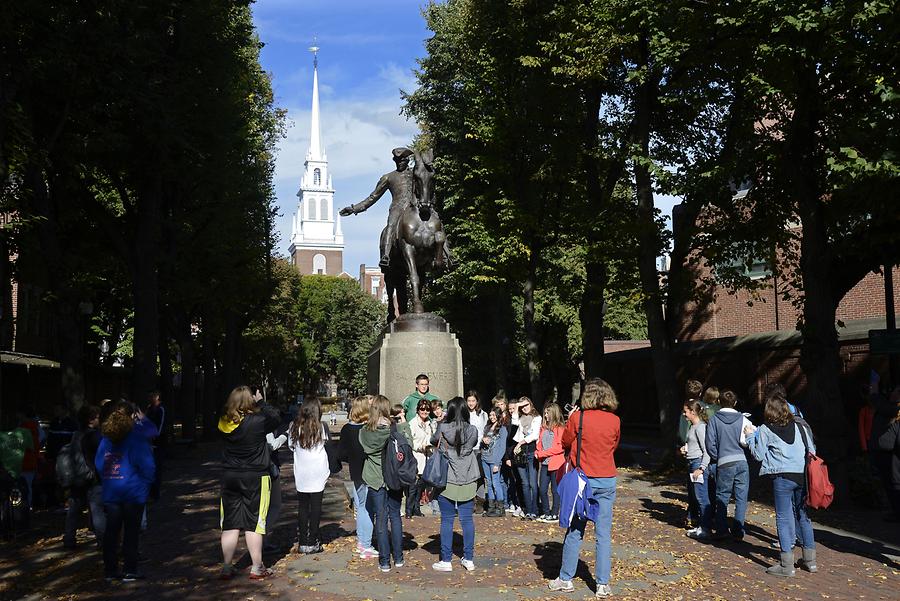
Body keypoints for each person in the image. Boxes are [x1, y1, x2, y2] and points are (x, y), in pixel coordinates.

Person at [548, 378, 621, 598]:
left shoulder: (578, 418)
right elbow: (614, 446)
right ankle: (602, 583)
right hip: (607, 478)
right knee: (603, 534)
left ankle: (566, 578)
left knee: (575, 530)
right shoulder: (615, 420)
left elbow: (565, 442)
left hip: (583, 480)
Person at [746, 390, 817, 576]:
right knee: (803, 515)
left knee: (784, 518)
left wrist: (748, 437)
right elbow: (811, 449)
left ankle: (787, 565)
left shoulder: (765, 429)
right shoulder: (799, 426)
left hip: (782, 476)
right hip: (802, 475)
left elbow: (758, 455)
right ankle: (810, 560)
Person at [218, 385, 281, 580]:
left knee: (230, 523)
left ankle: (227, 566)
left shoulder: (224, 422)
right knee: (255, 522)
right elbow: (276, 417)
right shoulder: (258, 421)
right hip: (255, 476)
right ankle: (256, 566)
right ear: (250, 401)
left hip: (230, 476)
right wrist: (261, 402)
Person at [95, 401, 156, 581]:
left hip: (112, 492)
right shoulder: (136, 439)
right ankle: (130, 569)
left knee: (111, 532)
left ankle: (110, 570)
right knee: (131, 532)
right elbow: (148, 466)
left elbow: (99, 464)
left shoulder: (106, 440)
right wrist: (145, 486)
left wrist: (108, 479)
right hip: (133, 492)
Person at [339, 147, 416, 270]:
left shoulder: (415, 174)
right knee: (391, 226)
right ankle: (385, 256)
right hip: (398, 208)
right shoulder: (388, 177)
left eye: (401, 160)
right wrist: (354, 209)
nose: (399, 162)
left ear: (407, 160)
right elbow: (373, 197)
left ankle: (445, 254)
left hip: (414, 208)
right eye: (396, 160)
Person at [360, 395, 411, 572]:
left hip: (375, 479)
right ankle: (398, 557)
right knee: (395, 517)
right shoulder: (394, 429)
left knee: (380, 520)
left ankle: (384, 561)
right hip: (394, 478)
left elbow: (365, 449)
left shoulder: (365, 431)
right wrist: (403, 423)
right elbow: (408, 445)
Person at [430, 396, 479, 572]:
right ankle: (469, 558)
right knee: (467, 520)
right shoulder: (473, 430)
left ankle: (446, 560)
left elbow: (432, 441)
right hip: (467, 477)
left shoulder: (443, 428)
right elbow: (472, 444)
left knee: (447, 521)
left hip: (447, 478)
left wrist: (442, 422)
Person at [705, 389, 753, 541]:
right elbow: (748, 440)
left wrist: (718, 456)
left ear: (719, 402)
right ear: (735, 403)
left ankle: (721, 529)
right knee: (741, 498)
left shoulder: (714, 420)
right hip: (741, 461)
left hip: (724, 461)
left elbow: (709, 443)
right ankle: (738, 530)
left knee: (722, 497)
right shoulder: (743, 419)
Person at [288, 398, 330, 554]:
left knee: (303, 507)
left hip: (302, 472)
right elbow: (327, 446)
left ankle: (303, 542)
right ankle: (312, 541)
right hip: (318, 471)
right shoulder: (322, 427)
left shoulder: (294, 427)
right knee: (316, 507)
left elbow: (291, 446)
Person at [339, 396, 377, 558]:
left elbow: (341, 453)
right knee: (368, 508)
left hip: (355, 471)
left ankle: (362, 541)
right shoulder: (368, 429)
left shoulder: (347, 429)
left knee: (360, 507)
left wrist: (352, 459)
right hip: (369, 471)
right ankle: (366, 544)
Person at [63, 404, 105, 549]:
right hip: (92, 478)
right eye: (98, 417)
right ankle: (102, 541)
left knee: (73, 512)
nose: (99, 420)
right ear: (91, 419)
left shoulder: (76, 435)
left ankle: (69, 539)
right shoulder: (94, 436)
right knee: (97, 511)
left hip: (76, 476)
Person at [681, 401, 712, 540]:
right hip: (691, 461)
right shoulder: (692, 427)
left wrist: (701, 468)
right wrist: (685, 449)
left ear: (693, 412)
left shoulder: (700, 428)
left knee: (701, 497)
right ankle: (700, 526)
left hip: (697, 463)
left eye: (686, 411)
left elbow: (707, 450)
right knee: (695, 496)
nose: (684, 414)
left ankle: (706, 528)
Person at [511, 396, 542, 520]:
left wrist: (521, 442)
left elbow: (534, 434)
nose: (525, 408)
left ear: (531, 404)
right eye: (522, 407)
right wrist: (517, 407)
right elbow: (514, 422)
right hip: (520, 452)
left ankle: (535, 509)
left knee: (533, 483)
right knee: (524, 482)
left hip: (531, 450)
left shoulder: (537, 417)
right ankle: (528, 510)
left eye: (526, 405)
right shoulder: (520, 418)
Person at [535, 403, 566, 523]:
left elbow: (559, 448)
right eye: (545, 413)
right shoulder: (543, 428)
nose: (546, 415)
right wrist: (538, 451)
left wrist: (542, 453)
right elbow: (539, 443)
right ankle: (546, 512)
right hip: (544, 464)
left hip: (556, 464)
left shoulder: (560, 429)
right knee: (542, 489)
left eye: (548, 413)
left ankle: (554, 513)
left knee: (555, 490)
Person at [408, 399, 436, 518]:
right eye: (422, 409)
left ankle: (417, 508)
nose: (425, 411)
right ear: (418, 410)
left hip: (427, 457)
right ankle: (409, 509)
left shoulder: (430, 424)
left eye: (427, 409)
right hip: (416, 456)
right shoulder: (413, 423)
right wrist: (420, 446)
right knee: (413, 486)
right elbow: (409, 441)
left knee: (421, 485)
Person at [875, 391, 900, 522]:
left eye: (896, 392)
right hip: (887, 454)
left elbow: (879, 405)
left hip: (893, 456)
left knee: (894, 485)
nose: (892, 394)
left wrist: (875, 390)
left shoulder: (895, 410)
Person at [480, 406, 508, 517]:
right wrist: (484, 441)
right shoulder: (487, 427)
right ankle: (491, 507)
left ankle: (500, 508)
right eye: (490, 415)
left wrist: (497, 463)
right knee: (489, 483)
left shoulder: (502, 429)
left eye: (494, 415)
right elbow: (483, 442)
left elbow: (502, 448)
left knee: (496, 483)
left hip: (494, 459)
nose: (492, 417)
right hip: (485, 458)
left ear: (498, 416)